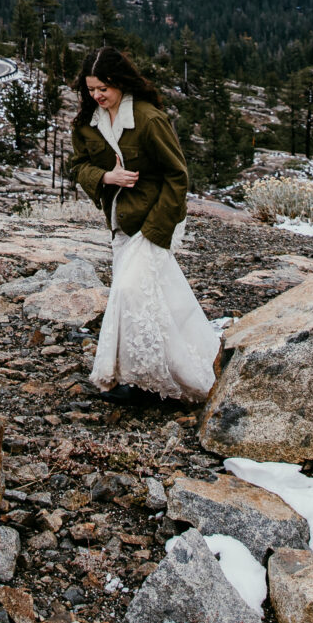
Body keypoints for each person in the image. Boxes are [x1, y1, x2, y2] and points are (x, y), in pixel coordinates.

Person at [62, 46, 221, 403]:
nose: (97, 96)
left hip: (153, 219)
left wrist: (157, 231)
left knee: (128, 292)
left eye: (103, 88)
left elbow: (177, 177)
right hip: (121, 222)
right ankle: (185, 368)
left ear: (121, 82)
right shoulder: (88, 125)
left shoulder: (149, 119)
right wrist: (106, 176)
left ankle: (140, 382)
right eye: (90, 90)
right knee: (153, 297)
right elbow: (78, 167)